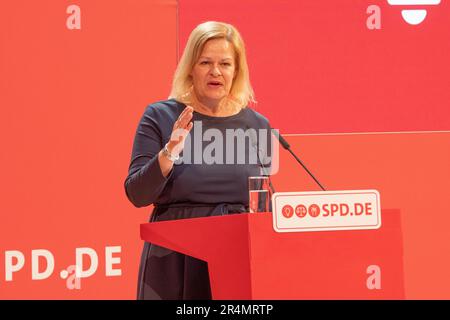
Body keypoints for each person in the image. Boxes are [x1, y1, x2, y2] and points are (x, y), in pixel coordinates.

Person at [124, 21, 272, 300]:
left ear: (236, 71)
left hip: (237, 258)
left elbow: (262, 201)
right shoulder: (160, 116)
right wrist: (169, 151)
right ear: (191, 67)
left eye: (225, 64)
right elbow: (137, 193)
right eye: (206, 62)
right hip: (175, 258)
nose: (216, 71)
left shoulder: (257, 126)